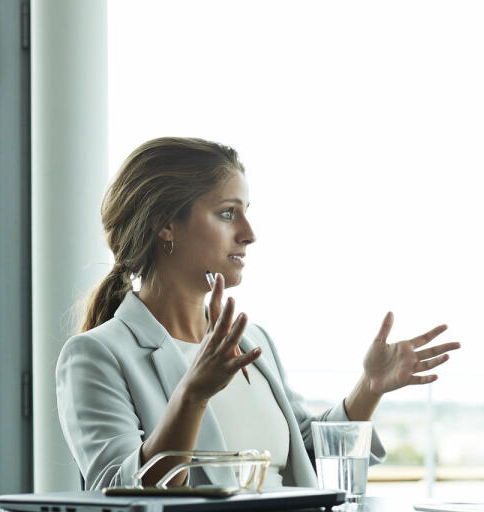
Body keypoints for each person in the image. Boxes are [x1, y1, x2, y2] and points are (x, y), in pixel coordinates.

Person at [56, 137, 460, 489]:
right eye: (228, 213)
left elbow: (308, 456)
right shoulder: (96, 356)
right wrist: (193, 394)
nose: (249, 233)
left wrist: (369, 388)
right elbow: (116, 492)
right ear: (165, 224)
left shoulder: (254, 341)